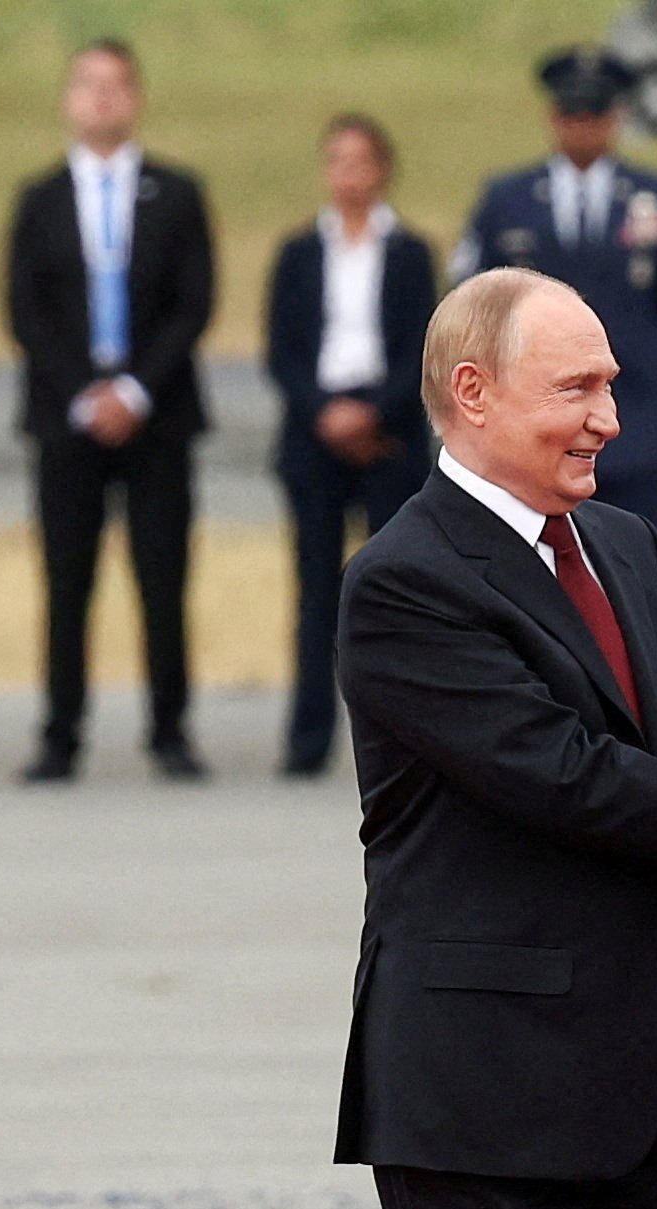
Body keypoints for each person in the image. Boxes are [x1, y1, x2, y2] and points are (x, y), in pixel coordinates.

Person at [333, 268, 657, 1209]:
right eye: (576, 390)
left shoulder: (625, 545)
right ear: (473, 393)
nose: (609, 418)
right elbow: (570, 781)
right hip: (488, 1109)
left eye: (609, 385)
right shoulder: (403, 582)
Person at [5, 39, 215, 783]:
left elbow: (195, 302)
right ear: (69, 99)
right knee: (67, 580)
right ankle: (61, 732)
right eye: (88, 85)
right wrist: (82, 393)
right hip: (67, 416)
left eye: (116, 85)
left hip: (155, 414)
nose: (102, 98)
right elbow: (23, 310)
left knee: (162, 576)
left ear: (136, 97)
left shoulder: (177, 192)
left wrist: (133, 391)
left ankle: (171, 728)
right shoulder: (39, 198)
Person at [449, 47, 657, 531]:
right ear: (553, 116)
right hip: (534, 423)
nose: (583, 126)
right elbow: (470, 316)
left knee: (631, 562)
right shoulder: (508, 202)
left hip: (635, 420)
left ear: (617, 118)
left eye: (595, 114)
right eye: (572, 114)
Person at [265, 114, 435, 778]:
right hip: (315, 431)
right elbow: (281, 351)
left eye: (362, 161)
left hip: (387, 431)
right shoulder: (299, 251)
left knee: (397, 593)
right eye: (337, 160)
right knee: (315, 591)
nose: (350, 174)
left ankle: (405, 739)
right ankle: (308, 738)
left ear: (384, 168)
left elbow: (424, 342)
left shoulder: (410, 251)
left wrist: (373, 413)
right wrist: (326, 413)